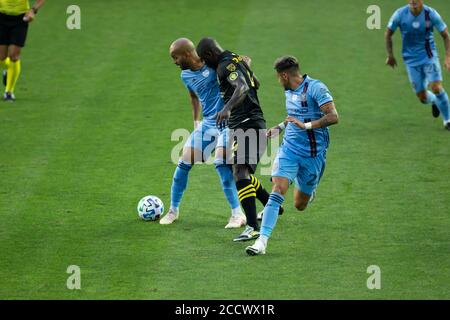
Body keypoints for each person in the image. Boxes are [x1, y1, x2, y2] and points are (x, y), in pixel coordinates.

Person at [246, 56, 339, 255]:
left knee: (299, 204)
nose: (278, 82)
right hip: (289, 149)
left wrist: (306, 126)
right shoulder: (289, 92)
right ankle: (261, 242)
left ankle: (308, 190)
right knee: (278, 190)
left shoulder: (316, 88)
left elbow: (333, 116)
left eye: (278, 78)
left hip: (313, 155)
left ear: (284, 75)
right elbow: (293, 117)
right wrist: (280, 127)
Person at [197, 37, 282, 242]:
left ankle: (252, 227)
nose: (203, 64)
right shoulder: (236, 59)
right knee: (240, 171)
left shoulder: (224, 65)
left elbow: (242, 87)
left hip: (248, 123)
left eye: (203, 59)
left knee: (240, 171)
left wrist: (226, 108)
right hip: (244, 124)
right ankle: (273, 205)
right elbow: (256, 83)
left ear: (209, 55)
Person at [160, 38, 246, 229]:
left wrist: (244, 64)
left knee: (222, 164)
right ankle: (173, 210)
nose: (174, 61)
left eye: (175, 57)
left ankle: (237, 214)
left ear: (187, 54)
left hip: (228, 123)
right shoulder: (185, 76)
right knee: (183, 162)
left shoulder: (213, 64)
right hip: (208, 123)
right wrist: (196, 122)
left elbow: (239, 64)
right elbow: (193, 96)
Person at [385, 0, 450, 130]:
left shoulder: (431, 14)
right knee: (422, 96)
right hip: (411, 60)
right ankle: (434, 101)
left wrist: (448, 57)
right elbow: (388, 34)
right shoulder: (400, 14)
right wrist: (390, 55)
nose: (413, 1)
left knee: (436, 87)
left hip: (429, 57)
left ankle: (448, 120)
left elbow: (446, 36)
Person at [0, 0, 45, 101]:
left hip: (20, 19)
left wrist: (33, 10)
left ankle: (9, 92)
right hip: (1, 16)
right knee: (1, 58)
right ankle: (8, 69)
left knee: (14, 56)